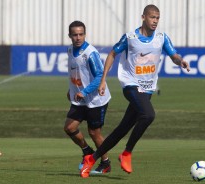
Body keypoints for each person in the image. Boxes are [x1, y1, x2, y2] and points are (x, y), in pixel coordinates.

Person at [80, 4, 190, 178]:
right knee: (149, 115)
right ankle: (126, 153)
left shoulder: (161, 38)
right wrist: (102, 81)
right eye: (152, 17)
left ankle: (91, 159)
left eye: (158, 18)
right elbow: (112, 54)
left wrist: (180, 61)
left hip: (147, 90)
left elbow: (173, 55)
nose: (155, 21)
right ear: (143, 17)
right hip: (130, 85)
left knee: (121, 130)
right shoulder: (130, 37)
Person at [64, 20, 111, 174]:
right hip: (79, 99)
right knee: (69, 128)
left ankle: (106, 163)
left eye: (81, 34)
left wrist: (83, 92)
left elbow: (99, 76)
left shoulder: (90, 53)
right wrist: (71, 90)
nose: (78, 37)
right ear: (70, 36)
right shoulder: (70, 50)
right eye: (75, 34)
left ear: (85, 34)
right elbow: (75, 72)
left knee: (94, 133)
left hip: (95, 99)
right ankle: (87, 151)